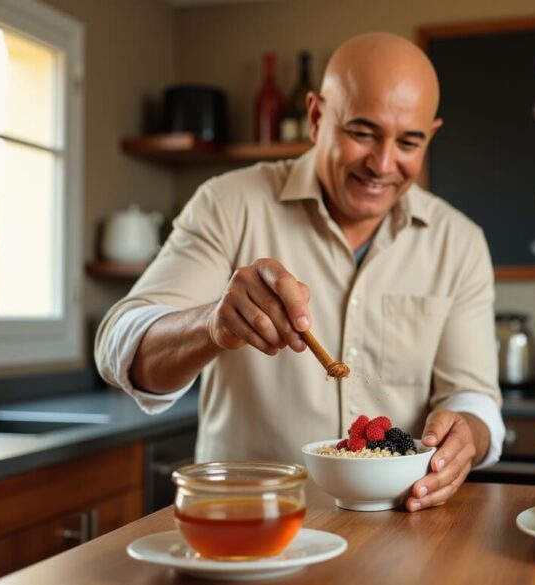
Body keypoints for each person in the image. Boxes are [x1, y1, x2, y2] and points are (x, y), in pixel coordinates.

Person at [95, 32, 503, 513]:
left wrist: (467, 434)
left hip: (397, 531)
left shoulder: (460, 241)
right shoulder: (228, 204)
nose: (383, 164)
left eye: (409, 142)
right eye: (362, 132)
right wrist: (213, 324)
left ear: (429, 136)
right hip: (247, 523)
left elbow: (474, 399)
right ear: (315, 117)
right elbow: (119, 347)